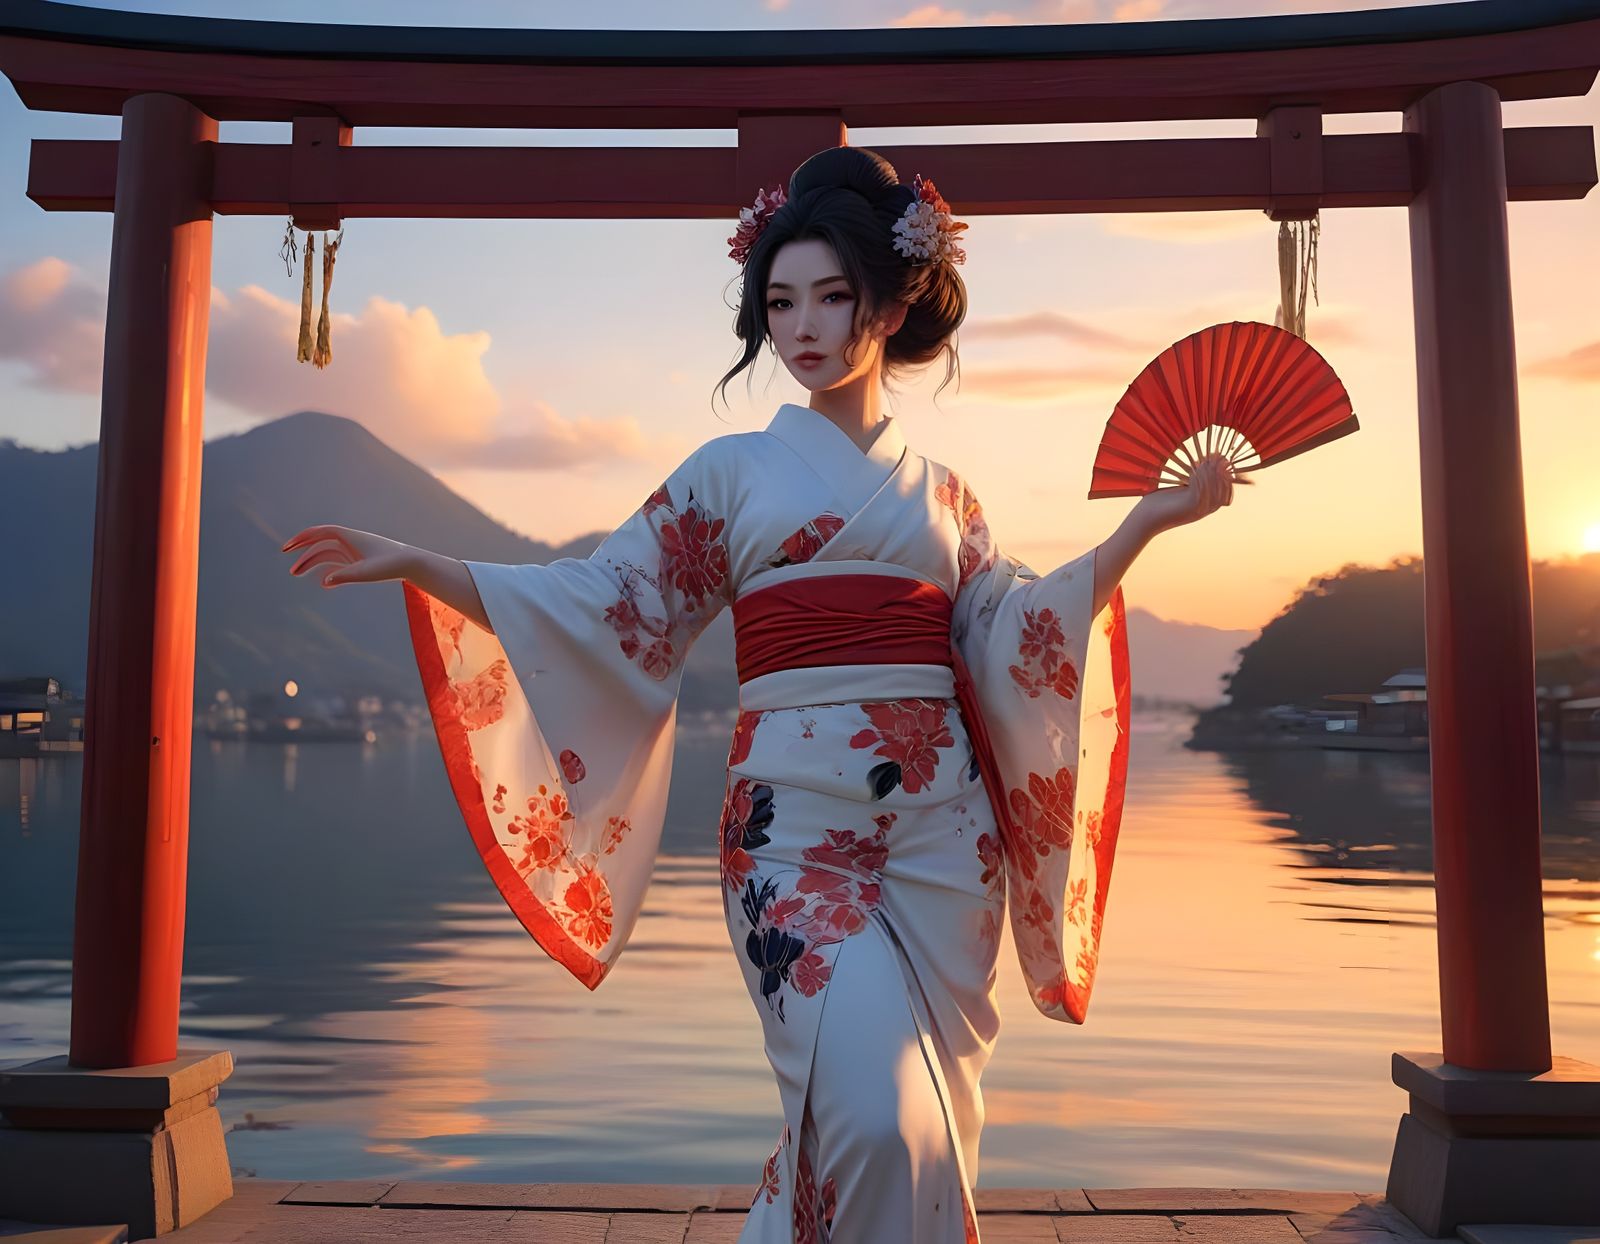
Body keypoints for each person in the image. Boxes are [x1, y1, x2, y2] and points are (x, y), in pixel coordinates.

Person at [282, 145, 1234, 1244]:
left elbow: (1017, 634)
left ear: (889, 302)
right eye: (780, 303)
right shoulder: (727, 475)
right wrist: (419, 558)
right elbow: (604, 603)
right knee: (871, 1117)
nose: (802, 326)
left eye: (831, 296)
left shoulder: (948, 499)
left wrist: (1142, 525)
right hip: (790, 833)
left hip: (941, 837)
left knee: (915, 1121)